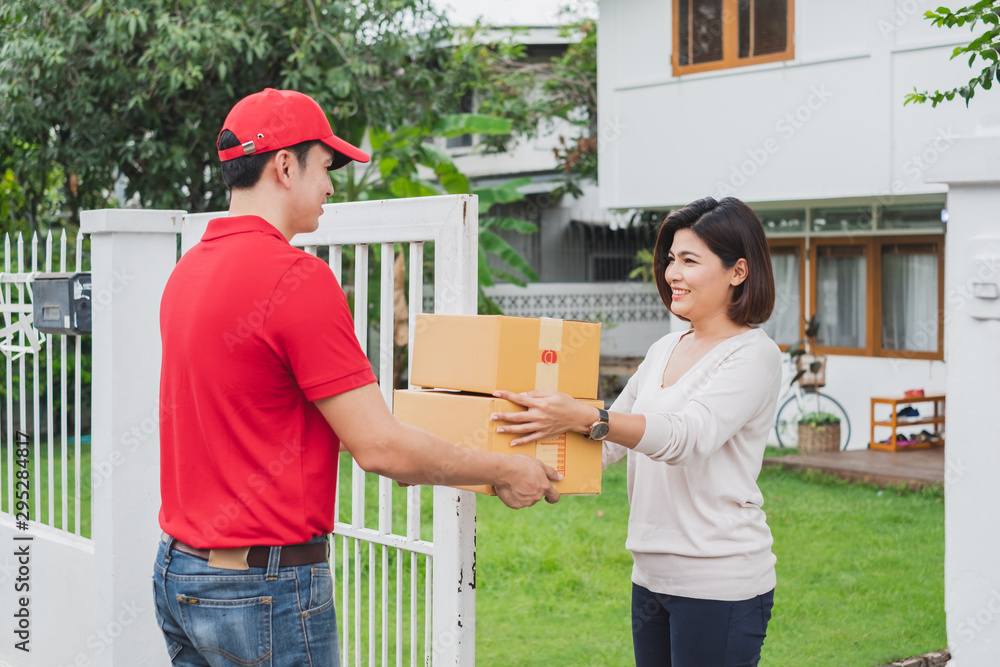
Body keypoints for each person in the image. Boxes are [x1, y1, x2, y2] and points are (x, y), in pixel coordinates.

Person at [152, 88, 562, 667]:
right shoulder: (297, 279)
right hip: (262, 590)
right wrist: (506, 469)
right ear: (285, 165)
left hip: (181, 570)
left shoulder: (187, 270)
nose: (331, 186)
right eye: (326, 166)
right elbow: (380, 447)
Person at [492, 196, 781, 667]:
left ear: (738, 271)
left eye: (690, 260)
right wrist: (507, 461)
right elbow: (605, 444)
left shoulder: (753, 355)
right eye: (671, 259)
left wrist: (586, 416)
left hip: (718, 582)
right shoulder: (665, 347)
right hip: (650, 578)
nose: (672, 273)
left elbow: (688, 437)